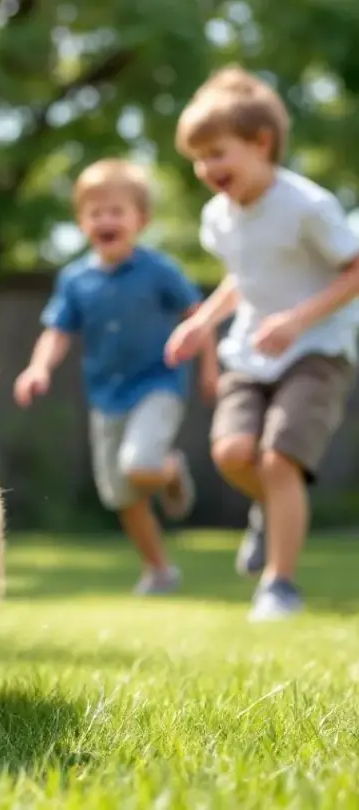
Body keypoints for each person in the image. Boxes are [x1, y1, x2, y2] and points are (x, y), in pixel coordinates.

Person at [165, 66, 359, 622]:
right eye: (198, 158)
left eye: (217, 153)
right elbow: (243, 278)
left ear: (261, 143)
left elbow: (353, 269)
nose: (206, 169)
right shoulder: (218, 218)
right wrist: (202, 322)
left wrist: (298, 321)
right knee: (231, 453)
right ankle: (273, 513)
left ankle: (280, 585)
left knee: (279, 461)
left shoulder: (308, 206)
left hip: (318, 348)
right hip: (252, 349)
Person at [14, 158, 217, 595]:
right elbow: (57, 332)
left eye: (116, 211)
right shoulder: (75, 280)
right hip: (107, 395)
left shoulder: (158, 270)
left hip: (158, 383)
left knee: (139, 465)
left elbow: (199, 315)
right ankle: (159, 569)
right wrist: (38, 367)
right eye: (95, 213)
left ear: (140, 219)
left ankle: (166, 468)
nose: (105, 220)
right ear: (81, 221)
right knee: (123, 496)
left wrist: (209, 369)